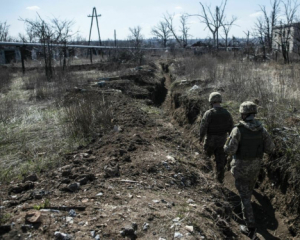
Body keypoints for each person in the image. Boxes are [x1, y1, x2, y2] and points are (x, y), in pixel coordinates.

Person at [224, 101, 274, 239]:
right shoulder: (262, 129)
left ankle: (250, 228)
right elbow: (270, 148)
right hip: (256, 167)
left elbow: (230, 150)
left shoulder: (238, 130)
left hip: (240, 167)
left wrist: (225, 146)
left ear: (243, 113)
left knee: (244, 197)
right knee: (248, 190)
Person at [199, 92, 234, 183]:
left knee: (206, 159)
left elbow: (203, 127)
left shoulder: (208, 113)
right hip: (222, 141)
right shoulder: (227, 113)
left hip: (210, 140)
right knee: (220, 162)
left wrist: (201, 138)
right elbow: (231, 129)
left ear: (211, 101)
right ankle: (219, 180)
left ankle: (206, 178)